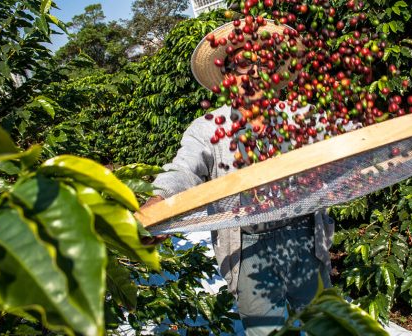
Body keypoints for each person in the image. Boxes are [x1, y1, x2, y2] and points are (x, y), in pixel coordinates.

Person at [139, 19, 335, 336]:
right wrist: (159, 201)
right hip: (249, 248)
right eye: (244, 65)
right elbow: (184, 168)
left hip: (304, 239)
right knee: (265, 332)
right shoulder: (209, 128)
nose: (254, 73)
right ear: (229, 75)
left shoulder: (302, 117)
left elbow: (348, 143)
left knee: (326, 325)